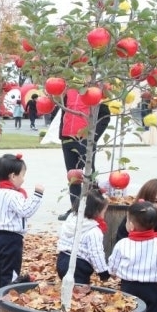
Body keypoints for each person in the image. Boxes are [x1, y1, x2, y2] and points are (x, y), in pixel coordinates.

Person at [0, 154, 44, 293]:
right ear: (13, 176)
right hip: (12, 239)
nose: (23, 179)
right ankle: (6, 296)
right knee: (10, 270)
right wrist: (37, 196)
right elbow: (26, 211)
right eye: (22, 175)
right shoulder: (14, 195)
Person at [57, 90, 110, 220]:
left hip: (86, 140)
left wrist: (93, 137)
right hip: (68, 139)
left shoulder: (94, 91)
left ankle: (95, 209)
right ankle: (75, 209)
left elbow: (105, 116)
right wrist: (63, 136)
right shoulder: (68, 92)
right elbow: (64, 112)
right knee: (73, 177)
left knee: (89, 176)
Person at [56, 188, 110, 284]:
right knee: (80, 290)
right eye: (104, 211)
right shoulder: (93, 231)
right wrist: (103, 272)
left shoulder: (70, 220)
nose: (105, 213)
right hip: (79, 266)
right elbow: (96, 253)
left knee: (69, 288)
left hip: (62, 259)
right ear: (96, 211)